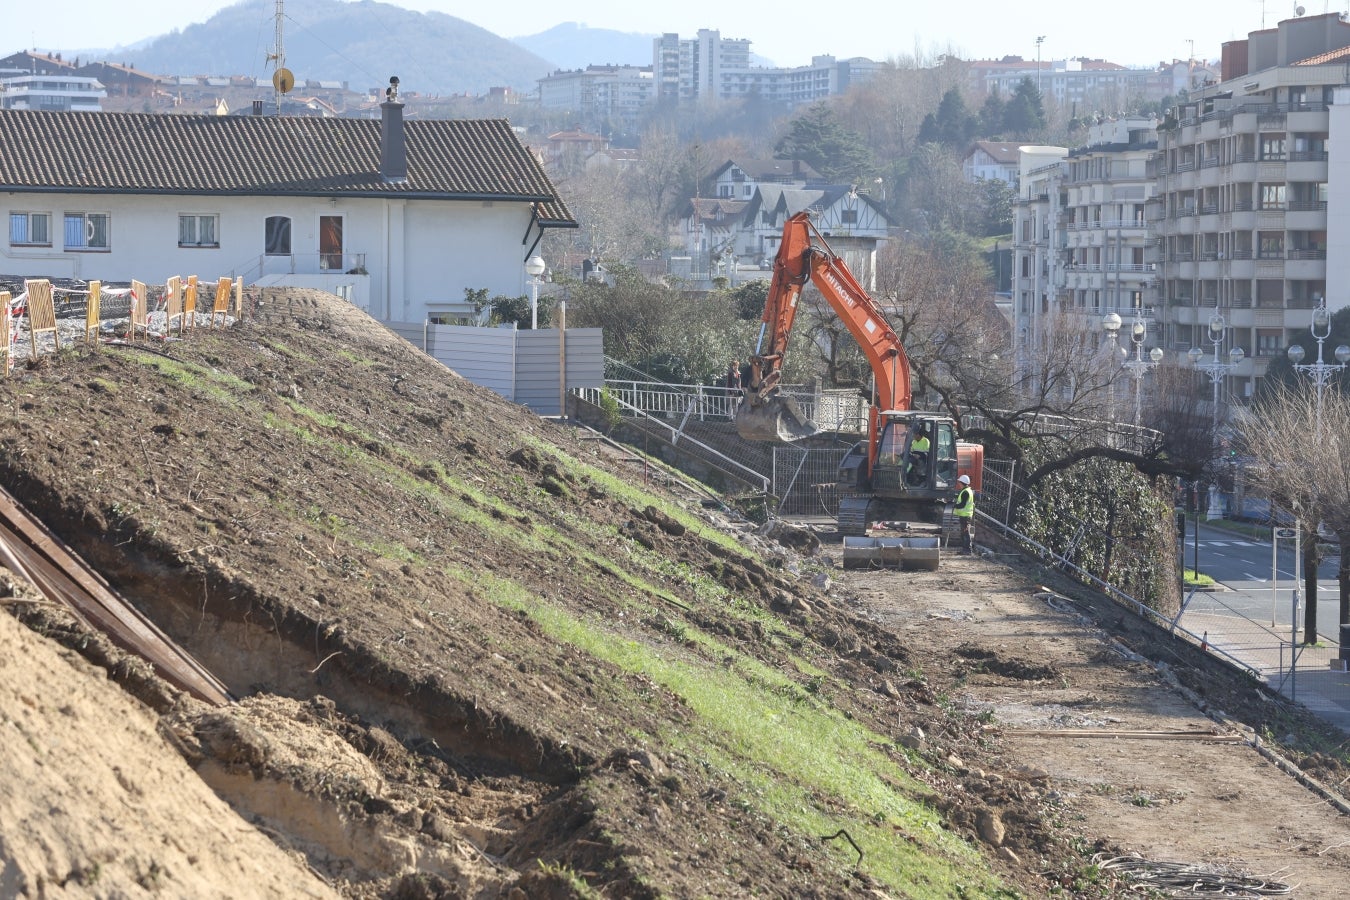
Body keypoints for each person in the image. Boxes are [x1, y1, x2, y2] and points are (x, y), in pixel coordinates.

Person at [953, 474, 975, 553]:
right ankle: (965, 549)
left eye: (959, 482)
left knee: (965, 533)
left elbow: (962, 504)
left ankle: (967, 550)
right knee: (965, 533)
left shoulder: (965, 492)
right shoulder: (967, 490)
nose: (958, 484)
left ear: (962, 482)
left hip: (965, 515)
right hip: (965, 515)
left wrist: (955, 505)